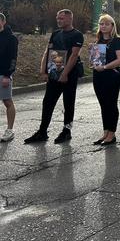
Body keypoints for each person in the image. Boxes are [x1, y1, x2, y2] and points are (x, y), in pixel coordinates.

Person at [25, 9, 84, 144]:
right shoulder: (55, 34)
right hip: (54, 71)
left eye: (62, 18)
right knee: (48, 102)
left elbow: (74, 56)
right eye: (58, 18)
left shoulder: (77, 35)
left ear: (70, 19)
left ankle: (66, 131)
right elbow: (48, 51)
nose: (59, 20)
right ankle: (42, 131)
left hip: (70, 74)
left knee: (68, 103)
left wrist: (64, 74)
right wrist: (43, 70)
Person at [91, 14, 120, 146]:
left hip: (111, 76)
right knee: (103, 105)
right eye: (101, 24)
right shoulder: (97, 41)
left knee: (111, 105)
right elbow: (95, 60)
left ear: (112, 26)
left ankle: (112, 134)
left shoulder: (117, 41)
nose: (103, 26)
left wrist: (105, 67)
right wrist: (94, 64)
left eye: (106, 24)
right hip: (98, 76)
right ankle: (105, 132)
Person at [0, 13, 18, 142]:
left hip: (3, 75)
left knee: (7, 101)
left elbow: (13, 59)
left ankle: (10, 130)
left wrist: (8, 75)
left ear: (3, 21)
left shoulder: (11, 38)